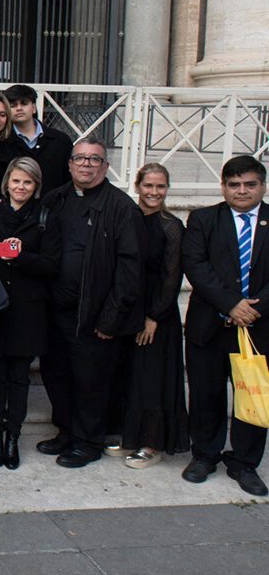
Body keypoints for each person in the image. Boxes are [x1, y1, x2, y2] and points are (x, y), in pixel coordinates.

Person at [35, 137, 144, 468]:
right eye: (80, 158)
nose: (86, 164)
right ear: (69, 164)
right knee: (57, 376)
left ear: (105, 166)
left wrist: (111, 319)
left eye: (94, 159)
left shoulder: (122, 207)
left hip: (94, 316)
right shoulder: (56, 199)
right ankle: (66, 431)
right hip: (55, 311)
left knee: (90, 382)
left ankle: (88, 441)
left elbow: (130, 270)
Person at [181, 155, 268, 495]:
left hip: (259, 328)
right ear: (223, 187)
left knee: (252, 395)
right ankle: (204, 455)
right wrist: (231, 304)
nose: (241, 191)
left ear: (261, 185)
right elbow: (195, 264)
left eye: (249, 184)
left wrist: (252, 309)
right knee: (206, 393)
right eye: (234, 185)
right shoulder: (204, 219)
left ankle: (245, 462)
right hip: (210, 325)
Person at [0, 157, 60, 470]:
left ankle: (13, 434)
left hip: (29, 310)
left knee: (19, 377)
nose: (21, 187)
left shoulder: (44, 217)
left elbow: (52, 265)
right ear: (7, 183)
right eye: (16, 181)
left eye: (27, 182)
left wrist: (21, 255)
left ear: (36, 186)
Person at [121, 163, 187, 469]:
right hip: (128, 307)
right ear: (137, 186)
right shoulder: (127, 217)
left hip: (156, 313)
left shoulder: (171, 226)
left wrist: (153, 316)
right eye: (148, 186)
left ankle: (152, 443)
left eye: (161, 187)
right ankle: (130, 436)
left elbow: (171, 278)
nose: (154, 192)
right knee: (130, 376)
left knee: (152, 378)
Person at [3, 84, 73, 196]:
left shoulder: (61, 141)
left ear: (34, 107)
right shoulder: (2, 142)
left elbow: (70, 179)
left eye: (24, 103)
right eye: (13, 105)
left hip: (54, 208)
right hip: (17, 209)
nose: (19, 108)